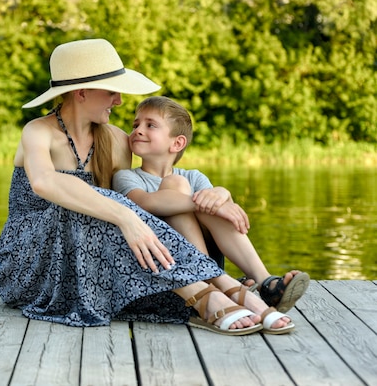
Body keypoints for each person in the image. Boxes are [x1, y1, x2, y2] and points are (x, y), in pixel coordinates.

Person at [0, 38, 294, 336]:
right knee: (81, 203)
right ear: (81, 93)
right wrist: (126, 217)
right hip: (27, 265)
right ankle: (216, 292)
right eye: (111, 92)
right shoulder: (38, 131)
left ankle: (217, 287)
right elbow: (45, 182)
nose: (119, 101)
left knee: (112, 204)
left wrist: (217, 196)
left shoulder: (116, 141)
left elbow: (145, 195)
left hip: (84, 259)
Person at [112, 96, 310, 313]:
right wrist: (207, 202)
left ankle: (266, 283)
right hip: (165, 263)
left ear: (177, 143)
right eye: (135, 124)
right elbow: (145, 203)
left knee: (207, 199)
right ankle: (213, 281)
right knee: (181, 187)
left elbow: (219, 212)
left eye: (150, 125)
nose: (138, 130)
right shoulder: (126, 177)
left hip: (203, 257)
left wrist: (223, 195)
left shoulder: (194, 177)